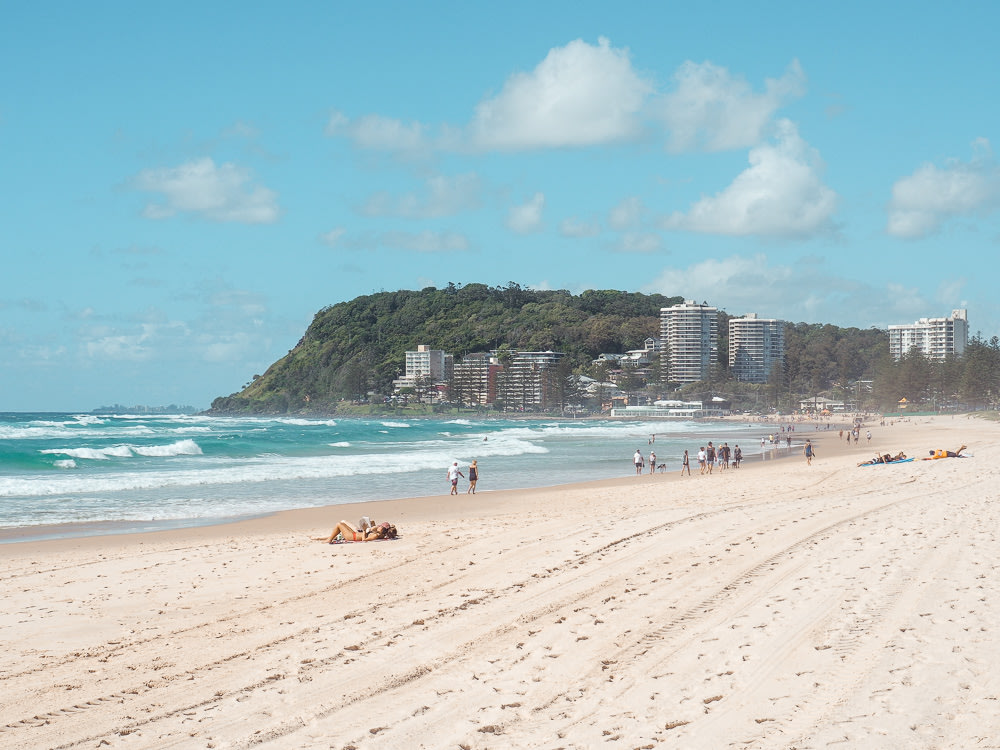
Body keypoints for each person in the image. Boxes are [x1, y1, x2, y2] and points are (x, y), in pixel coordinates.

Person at [315, 520, 396, 543]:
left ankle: (329, 539)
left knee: (339, 524)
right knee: (342, 523)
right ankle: (328, 538)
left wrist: (365, 530)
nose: (379, 526)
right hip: (353, 534)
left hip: (352, 536)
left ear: (383, 530)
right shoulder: (379, 534)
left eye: (380, 526)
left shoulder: (375, 536)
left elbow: (364, 540)